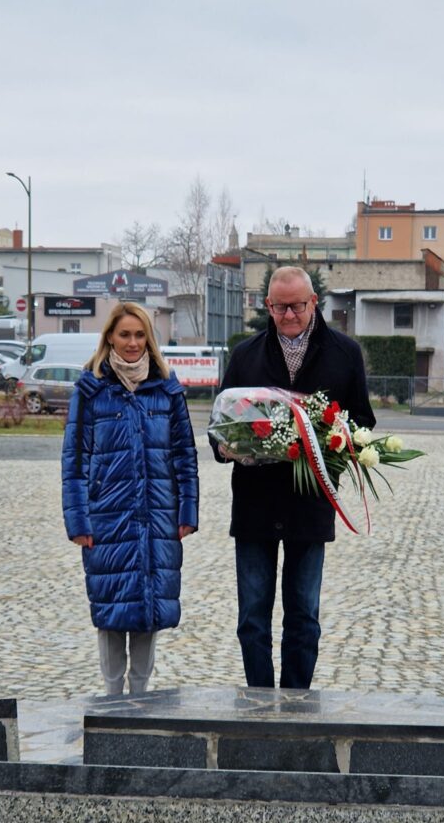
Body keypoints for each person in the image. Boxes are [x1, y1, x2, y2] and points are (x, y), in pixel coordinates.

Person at [213, 265, 375, 689]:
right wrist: (229, 447)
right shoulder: (245, 354)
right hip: (254, 505)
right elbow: (221, 427)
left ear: (313, 303)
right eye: (280, 307)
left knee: (304, 615)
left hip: (309, 504)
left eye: (297, 306)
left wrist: (336, 443)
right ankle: (260, 701)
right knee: (252, 615)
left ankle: (298, 704)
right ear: (267, 305)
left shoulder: (345, 353)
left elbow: (361, 424)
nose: (288, 315)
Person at [62, 302, 198, 695]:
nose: (133, 343)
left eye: (140, 335)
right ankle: (110, 696)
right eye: (125, 334)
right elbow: (74, 462)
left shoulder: (167, 390)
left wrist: (187, 510)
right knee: (111, 608)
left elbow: (185, 458)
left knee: (150, 608)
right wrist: (78, 522)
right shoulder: (91, 390)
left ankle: (141, 696)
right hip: (107, 518)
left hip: (158, 517)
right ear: (110, 337)